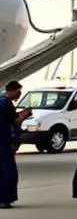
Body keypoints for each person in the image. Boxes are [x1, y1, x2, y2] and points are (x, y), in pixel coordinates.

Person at [0, 80, 28, 208]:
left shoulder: (3, 102)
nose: (19, 95)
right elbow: (13, 122)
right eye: (18, 92)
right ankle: (5, 198)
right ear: (11, 90)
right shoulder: (5, 104)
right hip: (4, 140)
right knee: (8, 170)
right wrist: (23, 116)